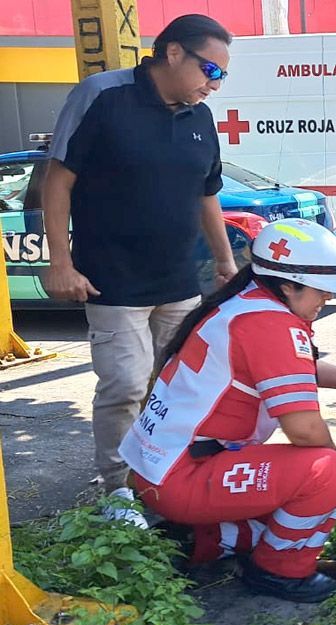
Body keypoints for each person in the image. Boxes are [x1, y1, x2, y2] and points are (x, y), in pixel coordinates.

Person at [42, 14, 238, 510]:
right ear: (173, 52)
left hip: (179, 282)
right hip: (111, 281)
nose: (214, 84)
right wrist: (61, 263)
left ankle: (166, 476)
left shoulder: (200, 118)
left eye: (222, 75)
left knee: (177, 386)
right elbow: (57, 179)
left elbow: (207, 195)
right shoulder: (103, 96)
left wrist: (224, 264)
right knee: (126, 388)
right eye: (210, 71)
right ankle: (119, 490)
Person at [118, 219, 336, 603]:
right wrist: (333, 488)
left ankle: (203, 541)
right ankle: (279, 572)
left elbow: (290, 371)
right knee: (326, 472)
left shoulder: (246, 303)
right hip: (183, 477)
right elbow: (305, 430)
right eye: (322, 290)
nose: (326, 299)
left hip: (158, 472)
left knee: (293, 511)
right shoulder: (273, 325)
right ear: (288, 285)